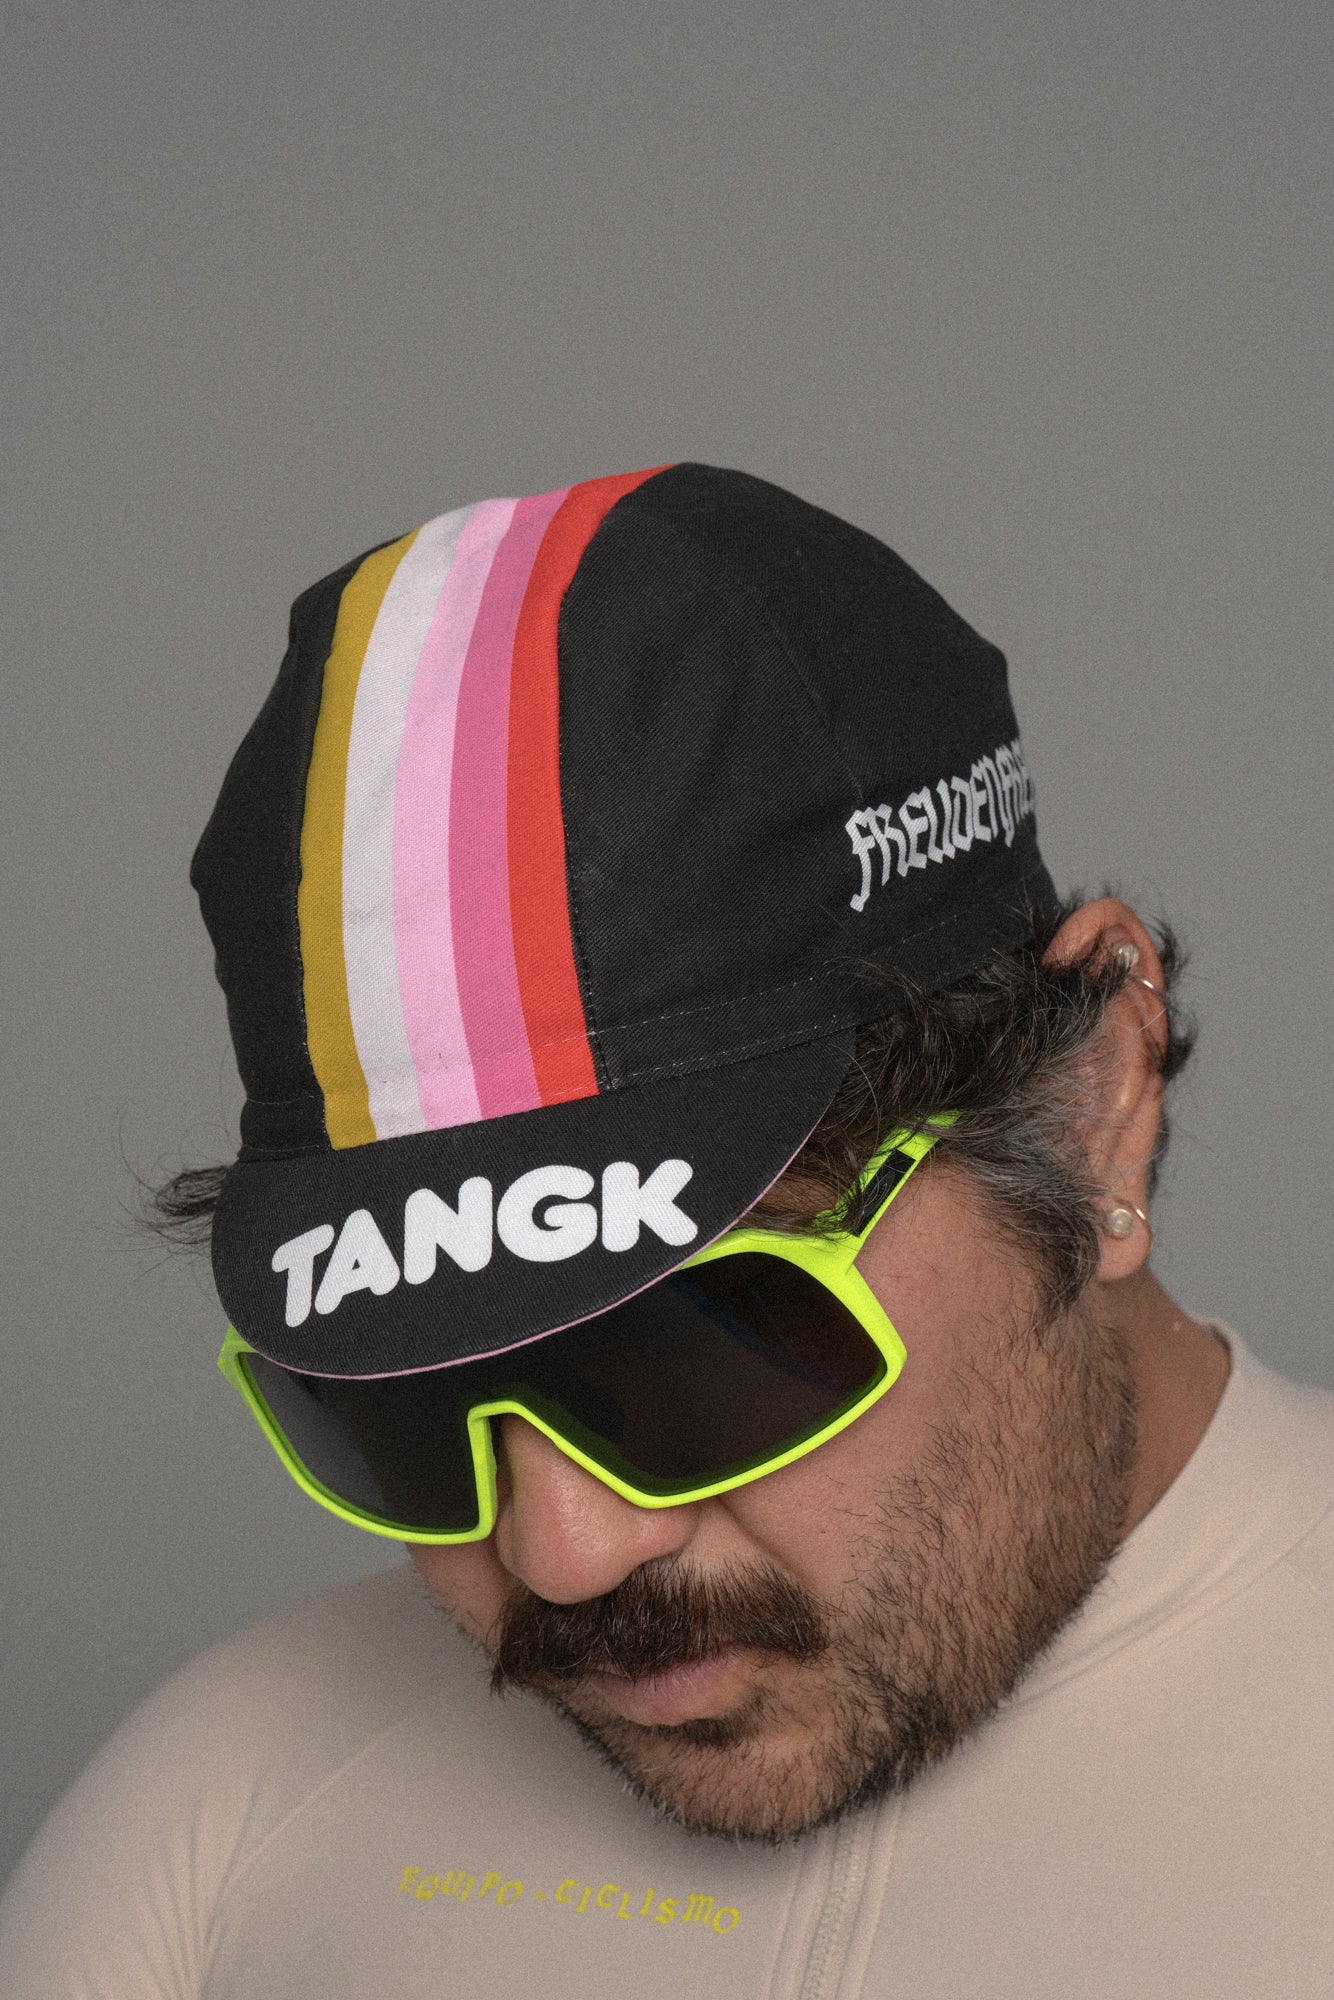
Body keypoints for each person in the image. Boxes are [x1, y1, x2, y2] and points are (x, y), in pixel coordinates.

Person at [2, 463, 1331, 1999]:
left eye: (708, 1341)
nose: (560, 1554)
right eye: (404, 1397)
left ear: (1091, 1100)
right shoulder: (213, 1826)